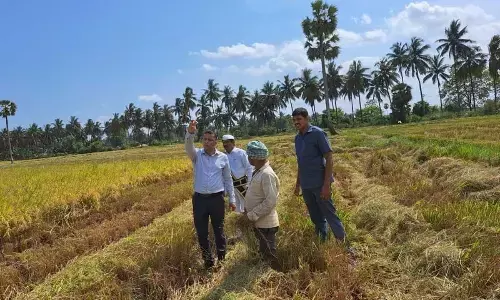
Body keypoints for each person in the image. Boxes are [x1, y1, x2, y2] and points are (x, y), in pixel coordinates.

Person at [292, 107, 348, 244]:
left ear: (306, 119)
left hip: (319, 183)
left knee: (330, 213)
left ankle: (344, 244)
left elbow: (329, 157)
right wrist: (298, 184)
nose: (296, 122)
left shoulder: (317, 134)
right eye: (294, 120)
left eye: (299, 119)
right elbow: (301, 162)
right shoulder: (297, 138)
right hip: (306, 185)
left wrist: (326, 184)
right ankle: (322, 241)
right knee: (315, 216)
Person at [185, 120, 236, 270]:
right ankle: (208, 261)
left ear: (216, 141)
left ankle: (222, 258)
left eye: (210, 140)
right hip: (200, 200)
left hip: (216, 199)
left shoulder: (223, 158)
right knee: (202, 232)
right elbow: (188, 147)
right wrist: (190, 133)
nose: (206, 142)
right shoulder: (196, 155)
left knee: (218, 230)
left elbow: (228, 179)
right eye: (204, 139)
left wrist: (232, 199)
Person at [244, 140, 280, 270]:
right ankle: (266, 274)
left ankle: (274, 276)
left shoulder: (266, 174)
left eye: (249, 156)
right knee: (264, 252)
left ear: (255, 157)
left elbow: (270, 201)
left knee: (269, 254)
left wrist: (252, 215)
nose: (248, 159)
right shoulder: (258, 171)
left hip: (266, 224)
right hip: (260, 223)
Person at [222, 134, 254, 213]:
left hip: (243, 185)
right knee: (235, 209)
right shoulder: (223, 156)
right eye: (223, 142)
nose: (225, 144)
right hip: (231, 187)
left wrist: (250, 183)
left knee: (246, 206)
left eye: (227, 142)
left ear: (233, 143)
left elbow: (249, 168)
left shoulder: (241, 153)